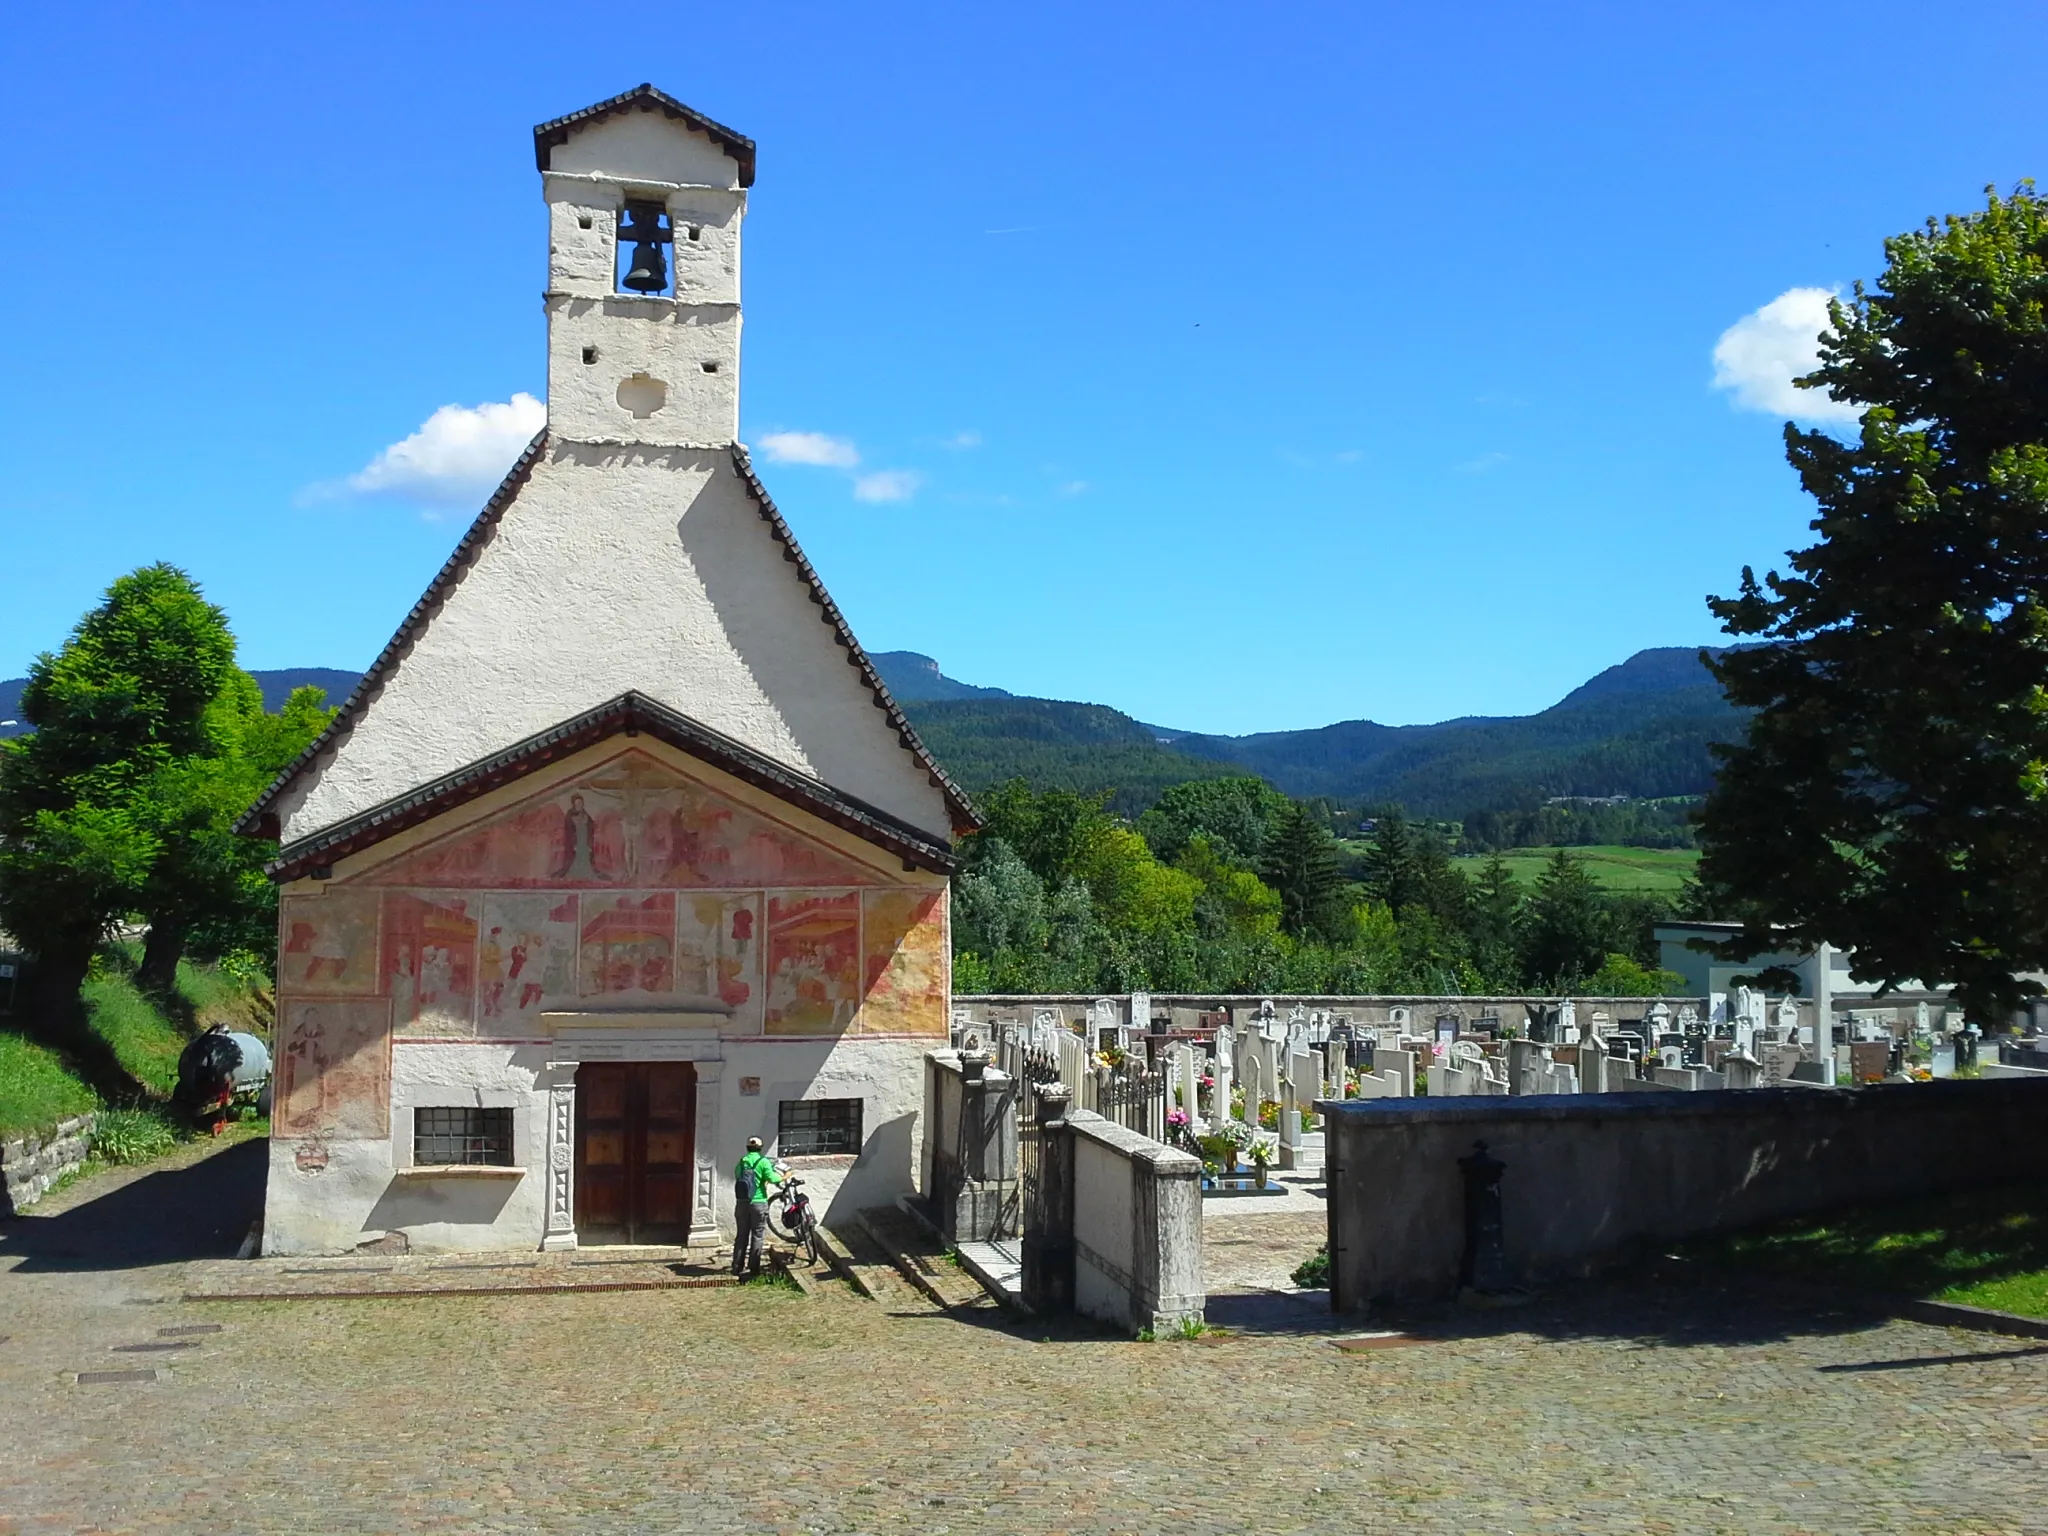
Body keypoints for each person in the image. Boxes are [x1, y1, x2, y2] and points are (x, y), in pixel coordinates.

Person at [731, 1136, 780, 1277]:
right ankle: (753, 1268)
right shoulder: (763, 1162)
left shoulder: (742, 1162)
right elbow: (772, 1178)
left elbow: (737, 1176)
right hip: (759, 1202)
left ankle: (737, 1267)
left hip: (742, 1203)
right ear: (760, 1148)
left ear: (747, 1148)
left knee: (741, 1236)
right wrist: (784, 1176)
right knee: (757, 1235)